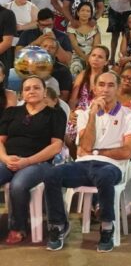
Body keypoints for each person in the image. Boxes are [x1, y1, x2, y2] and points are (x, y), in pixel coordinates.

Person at [44, 70, 131, 252]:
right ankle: (58, 225)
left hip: (112, 166)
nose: (105, 89)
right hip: (83, 164)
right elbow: (86, 146)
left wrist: (97, 151)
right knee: (51, 175)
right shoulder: (85, 114)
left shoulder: (129, 115)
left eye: (111, 85)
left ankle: (107, 228)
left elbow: (127, 151)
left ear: (118, 88)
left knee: (104, 176)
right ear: (94, 89)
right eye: (101, 85)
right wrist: (93, 116)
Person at [0, 75, 65, 245]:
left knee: (18, 184)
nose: (32, 91)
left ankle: (18, 227)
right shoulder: (11, 112)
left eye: (36, 87)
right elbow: (0, 141)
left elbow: (56, 146)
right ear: (21, 94)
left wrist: (27, 161)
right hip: (9, 159)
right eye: (27, 88)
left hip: (39, 162)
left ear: (44, 91)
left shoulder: (55, 115)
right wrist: (5, 158)